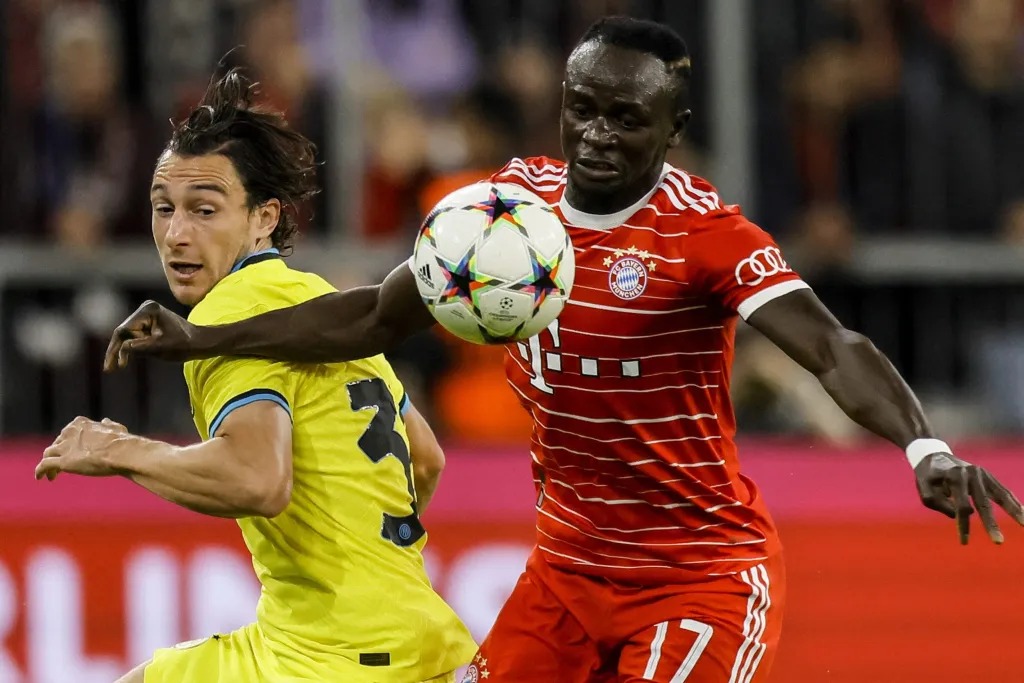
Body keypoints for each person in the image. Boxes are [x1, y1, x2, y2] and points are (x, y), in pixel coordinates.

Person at [105, 18, 1024, 683]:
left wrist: (923, 443)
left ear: (672, 128)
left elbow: (832, 345)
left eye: (626, 118)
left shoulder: (704, 234)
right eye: (581, 108)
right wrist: (204, 336)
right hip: (566, 574)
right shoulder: (506, 213)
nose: (596, 133)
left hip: (696, 578)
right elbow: (368, 320)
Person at [38, 68, 476, 683]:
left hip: (329, 661)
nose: (177, 234)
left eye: (205, 210)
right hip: (423, 638)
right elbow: (426, 457)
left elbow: (257, 480)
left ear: (264, 218)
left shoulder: (232, 307)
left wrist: (120, 450)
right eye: (164, 209)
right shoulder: (317, 302)